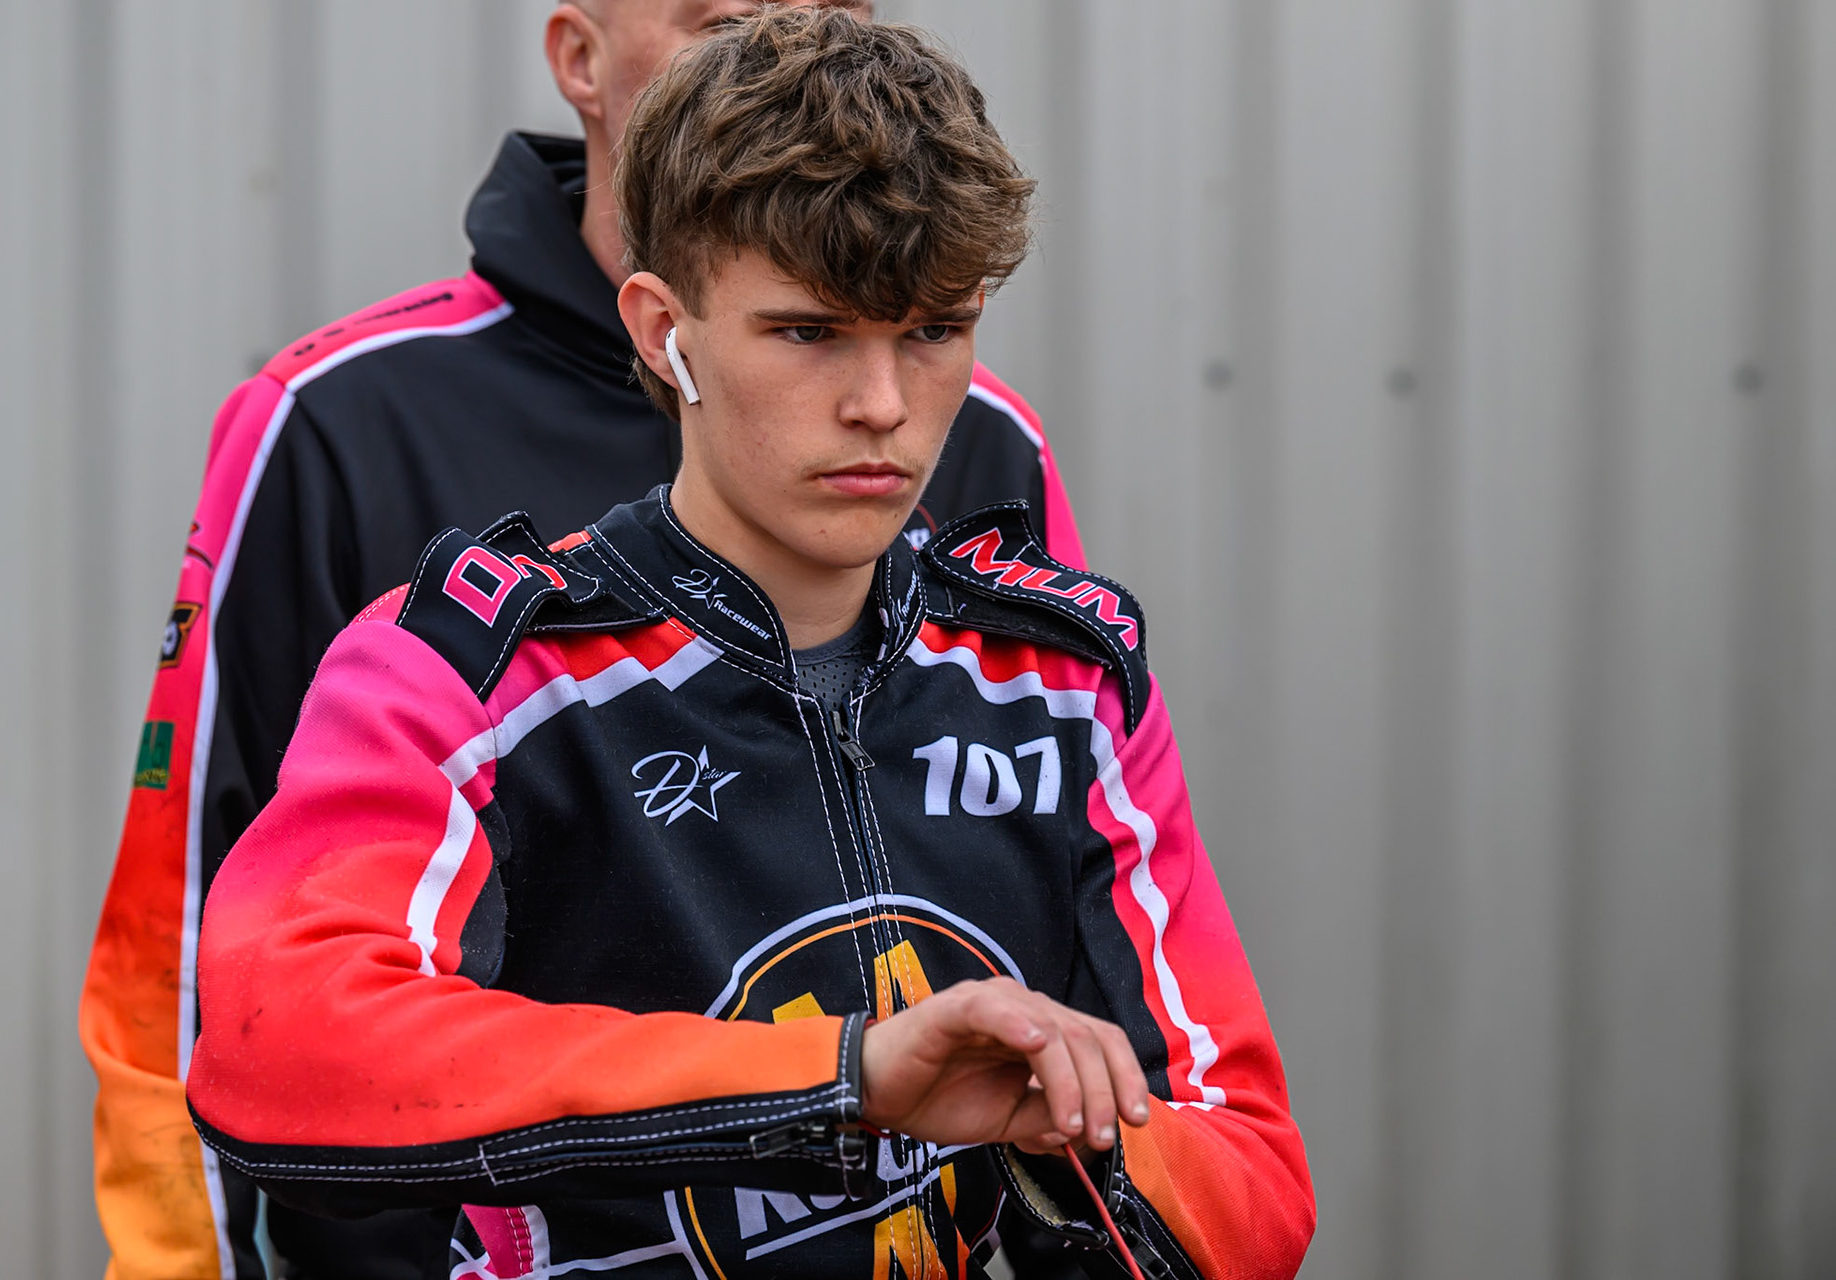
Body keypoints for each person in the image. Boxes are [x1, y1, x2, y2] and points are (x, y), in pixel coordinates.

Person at [184, 12, 1315, 1280]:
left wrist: (1080, 1157)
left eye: (935, 330)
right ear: (664, 327)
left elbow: (1254, 1165)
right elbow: (275, 1042)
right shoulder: (464, 668)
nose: (882, 403)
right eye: (809, 331)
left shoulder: (1064, 680)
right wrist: (841, 1079)